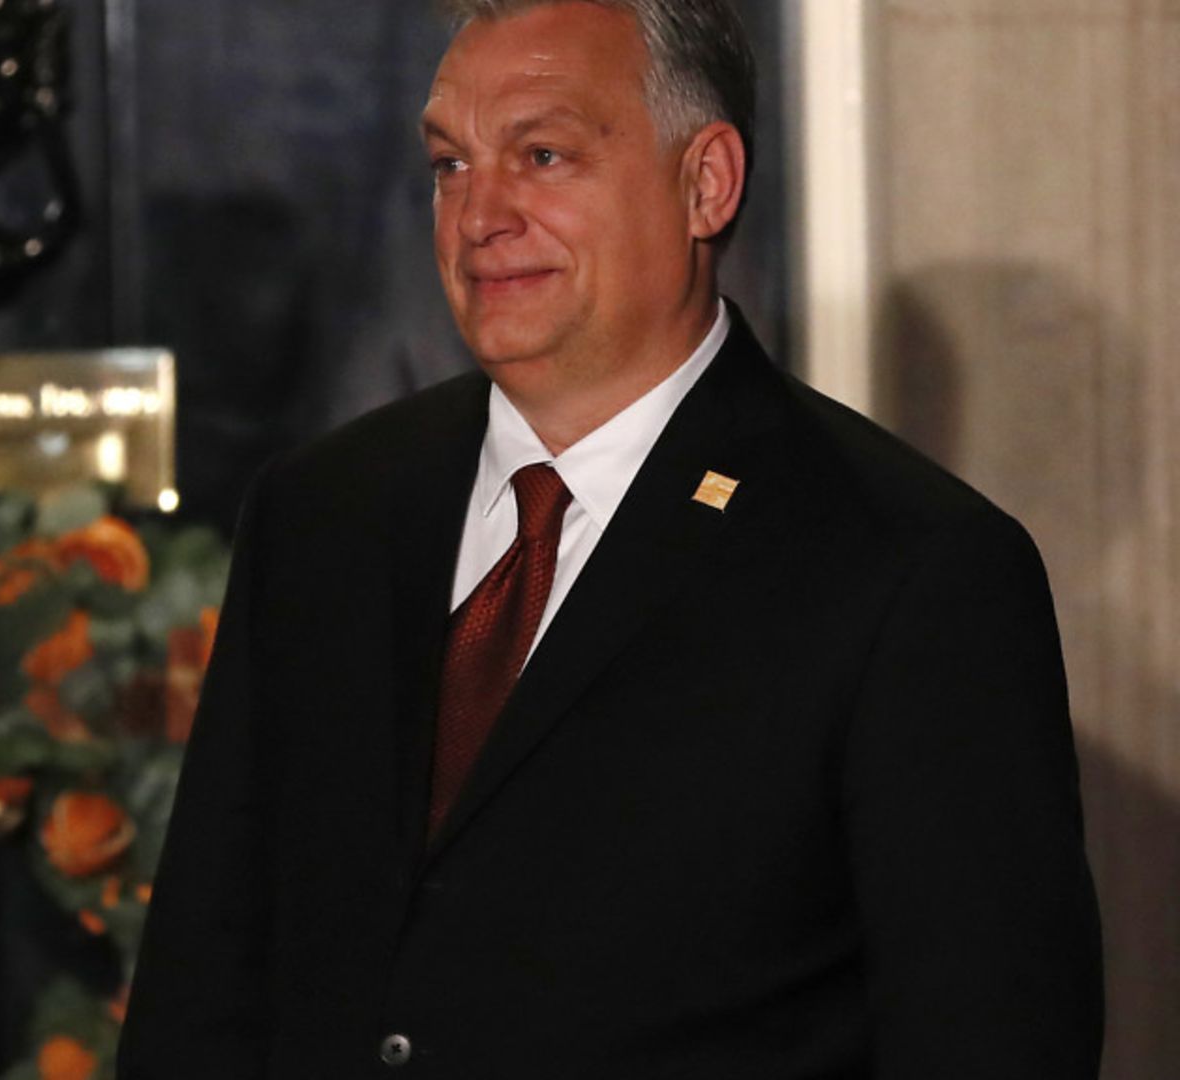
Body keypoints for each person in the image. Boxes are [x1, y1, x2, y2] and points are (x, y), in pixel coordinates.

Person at [116, 1, 1105, 1077]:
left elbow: (991, 1041)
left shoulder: (911, 567)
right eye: (451, 164)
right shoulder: (323, 512)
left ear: (707, 183)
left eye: (542, 154)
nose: (480, 213)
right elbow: (201, 989)